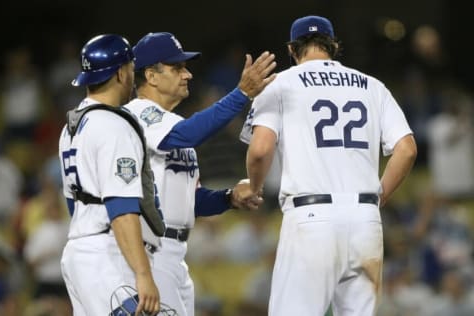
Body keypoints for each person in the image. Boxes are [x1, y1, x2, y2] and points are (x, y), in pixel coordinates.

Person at [239, 15, 418, 316]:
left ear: (292, 50)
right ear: (333, 46)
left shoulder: (279, 83)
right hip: (366, 221)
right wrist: (378, 196)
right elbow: (407, 149)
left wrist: (253, 187)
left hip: (311, 217)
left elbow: (260, 151)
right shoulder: (372, 86)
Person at [124, 32, 276, 316]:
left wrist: (229, 198)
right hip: (150, 252)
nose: (188, 75)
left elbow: (190, 201)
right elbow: (189, 133)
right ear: (151, 76)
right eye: (177, 68)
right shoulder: (136, 115)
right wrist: (241, 93)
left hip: (175, 254)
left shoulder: (171, 127)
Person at [58, 34, 160, 315]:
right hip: (107, 256)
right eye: (130, 67)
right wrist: (143, 273)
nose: (132, 73)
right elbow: (121, 206)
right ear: (120, 72)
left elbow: (73, 203)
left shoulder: (71, 126)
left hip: (80, 253)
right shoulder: (113, 126)